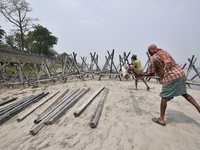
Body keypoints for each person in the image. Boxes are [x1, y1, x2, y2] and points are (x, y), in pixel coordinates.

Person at [138, 44, 200, 126]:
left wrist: (141, 74)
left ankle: (161, 119)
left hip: (170, 77)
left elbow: (152, 73)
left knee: (164, 96)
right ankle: (199, 108)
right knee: (184, 93)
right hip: (180, 74)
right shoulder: (165, 53)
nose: (149, 53)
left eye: (149, 52)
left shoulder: (153, 59)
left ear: (151, 51)